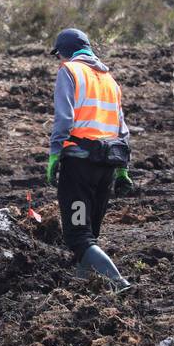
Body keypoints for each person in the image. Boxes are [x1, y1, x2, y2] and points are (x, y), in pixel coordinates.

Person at [46, 28, 134, 291]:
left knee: (78, 235)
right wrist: (122, 169)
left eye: (60, 55)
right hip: (106, 165)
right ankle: (83, 279)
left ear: (66, 52)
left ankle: (117, 281)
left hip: (79, 164)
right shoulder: (109, 79)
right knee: (90, 232)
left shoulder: (70, 71)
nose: (60, 60)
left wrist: (54, 154)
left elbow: (64, 119)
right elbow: (122, 128)